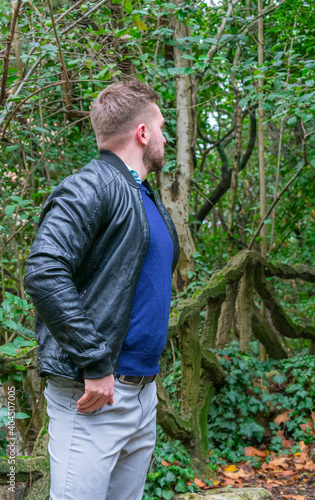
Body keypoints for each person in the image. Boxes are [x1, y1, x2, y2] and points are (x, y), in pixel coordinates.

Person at [24, 81, 179, 500]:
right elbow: (43, 271)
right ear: (142, 134)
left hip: (141, 395)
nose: (166, 137)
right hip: (93, 397)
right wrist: (95, 363)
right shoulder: (90, 187)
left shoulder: (141, 194)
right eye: (162, 127)